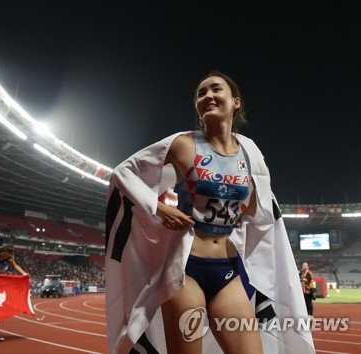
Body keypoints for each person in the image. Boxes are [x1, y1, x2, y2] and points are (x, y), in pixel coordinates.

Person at [105, 70, 315, 354]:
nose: (207, 97)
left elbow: (260, 207)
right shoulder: (184, 144)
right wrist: (159, 208)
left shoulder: (250, 152)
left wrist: (243, 213)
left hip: (227, 271)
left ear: (236, 101)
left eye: (216, 89)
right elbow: (123, 173)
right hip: (185, 270)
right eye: (201, 94)